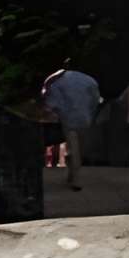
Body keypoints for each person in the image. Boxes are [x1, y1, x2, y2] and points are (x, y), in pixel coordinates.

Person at [39, 61, 103, 193]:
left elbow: (52, 104)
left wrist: (57, 113)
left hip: (68, 120)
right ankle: (73, 175)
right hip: (86, 119)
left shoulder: (59, 82)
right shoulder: (90, 80)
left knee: (73, 149)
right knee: (80, 148)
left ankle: (75, 179)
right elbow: (96, 100)